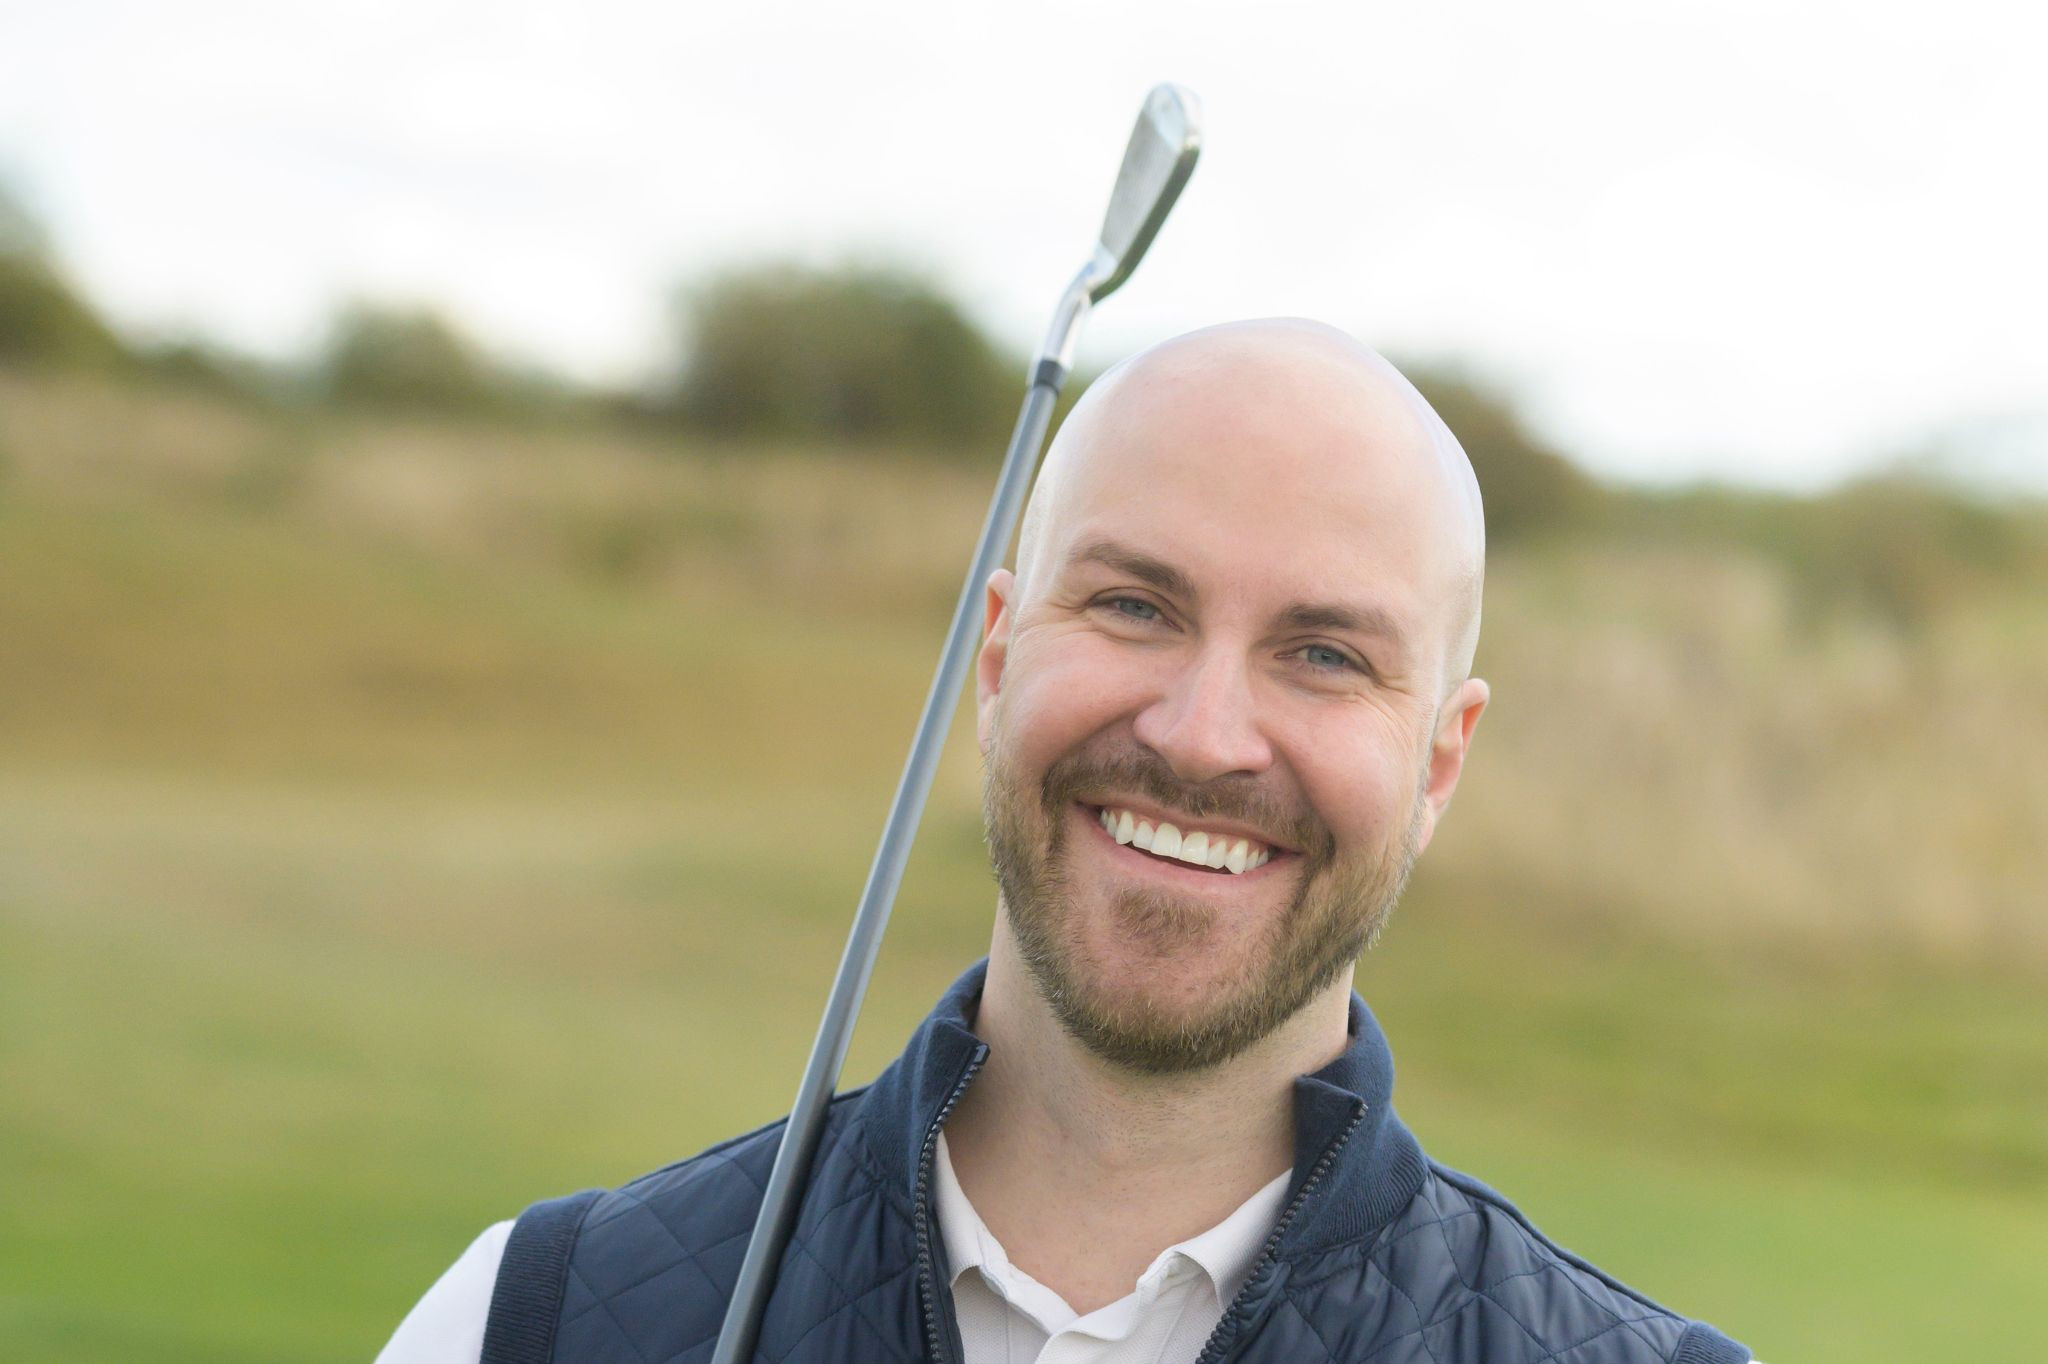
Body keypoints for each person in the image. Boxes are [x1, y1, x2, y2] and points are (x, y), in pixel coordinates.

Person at [378, 320, 1754, 1363]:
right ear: (995, 658)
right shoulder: (526, 1323)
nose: (1204, 737)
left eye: (1325, 654)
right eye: (1135, 607)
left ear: (1440, 758)